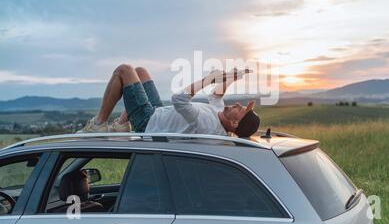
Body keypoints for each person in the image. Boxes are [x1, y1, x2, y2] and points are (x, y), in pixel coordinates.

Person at [78, 64, 260, 137]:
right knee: (140, 72)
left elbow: (179, 99)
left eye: (241, 109)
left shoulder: (207, 124)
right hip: (158, 113)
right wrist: (234, 76)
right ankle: (121, 125)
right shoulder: (220, 117)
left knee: (124, 71)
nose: (237, 104)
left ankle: (98, 124)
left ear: (235, 123)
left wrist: (210, 79)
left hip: (148, 123)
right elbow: (216, 96)